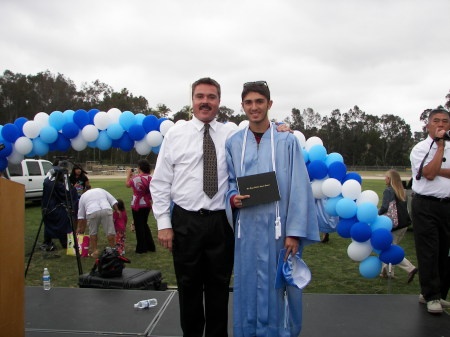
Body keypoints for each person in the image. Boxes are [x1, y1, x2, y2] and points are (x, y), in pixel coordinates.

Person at [225, 81, 319, 336]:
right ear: (242, 106)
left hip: (278, 232)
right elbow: (230, 181)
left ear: (269, 104)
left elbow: (299, 187)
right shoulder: (234, 143)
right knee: (246, 287)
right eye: (248, 102)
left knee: (276, 288)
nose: (254, 107)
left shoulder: (286, 141)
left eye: (259, 101)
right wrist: (233, 198)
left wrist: (294, 233)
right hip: (246, 230)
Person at [151, 77, 235, 337]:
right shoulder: (176, 134)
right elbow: (161, 182)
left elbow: (262, 135)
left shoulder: (232, 134)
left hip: (221, 224)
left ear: (219, 101)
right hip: (186, 222)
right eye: (200, 96)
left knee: (219, 289)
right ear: (193, 100)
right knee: (188, 288)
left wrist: (281, 129)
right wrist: (164, 224)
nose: (205, 102)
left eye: (211, 97)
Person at [410, 106, 450, 314]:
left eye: (444, 121)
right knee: (429, 251)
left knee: (445, 252)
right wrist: (440, 147)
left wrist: (437, 171)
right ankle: (431, 295)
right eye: (436, 121)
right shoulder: (420, 149)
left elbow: (434, 172)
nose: (441, 125)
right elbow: (429, 173)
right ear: (428, 126)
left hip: (447, 205)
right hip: (425, 205)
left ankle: (437, 294)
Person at [378, 169, 418, 283]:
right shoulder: (401, 191)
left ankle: (410, 268)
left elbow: (385, 207)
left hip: (394, 224)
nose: (384, 179)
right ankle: (385, 272)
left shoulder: (389, 191)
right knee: (390, 246)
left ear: (390, 179)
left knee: (389, 248)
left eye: (386, 177)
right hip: (404, 224)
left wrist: (377, 214)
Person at [40, 167, 79, 253]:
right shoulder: (57, 185)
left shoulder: (47, 181)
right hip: (55, 208)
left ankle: (47, 241)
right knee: (64, 224)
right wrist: (73, 188)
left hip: (45, 207)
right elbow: (66, 194)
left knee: (48, 225)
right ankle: (65, 243)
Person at [76, 188, 120, 258]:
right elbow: (113, 201)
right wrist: (117, 210)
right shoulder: (101, 190)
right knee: (110, 232)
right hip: (106, 209)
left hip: (92, 211)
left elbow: (81, 215)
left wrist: (79, 227)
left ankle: (95, 251)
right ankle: (113, 250)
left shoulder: (83, 196)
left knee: (93, 232)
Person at [125, 159, 155, 253]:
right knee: (144, 224)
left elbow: (127, 185)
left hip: (138, 204)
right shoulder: (151, 178)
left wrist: (128, 175)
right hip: (147, 203)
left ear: (139, 168)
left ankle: (141, 248)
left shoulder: (136, 178)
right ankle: (150, 246)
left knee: (139, 226)